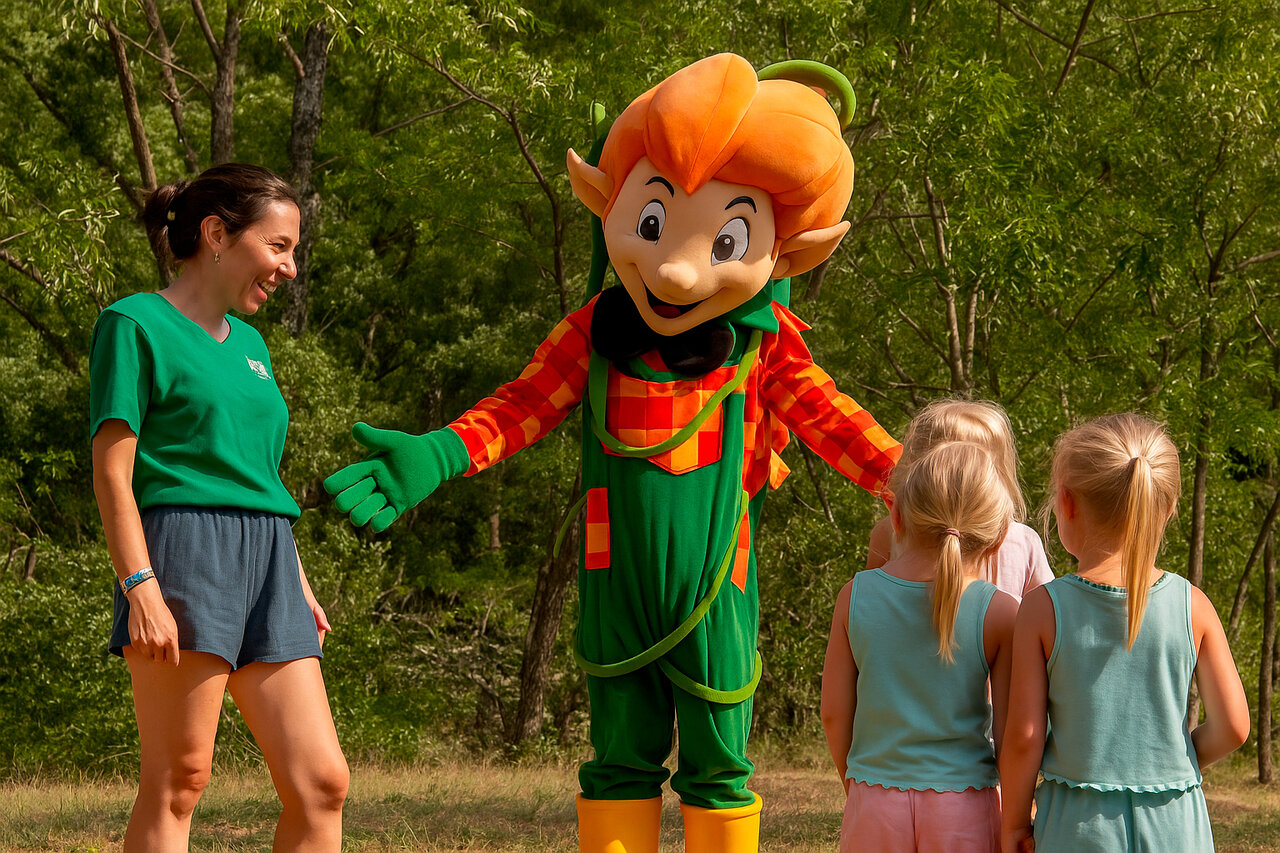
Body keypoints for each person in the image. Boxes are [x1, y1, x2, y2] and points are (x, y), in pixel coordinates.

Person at [324, 54, 901, 853]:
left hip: (716, 590)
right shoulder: (593, 334)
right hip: (614, 588)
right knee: (618, 760)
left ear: (785, 252)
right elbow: (522, 404)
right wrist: (440, 453)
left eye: (725, 239)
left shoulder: (762, 349)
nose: (676, 267)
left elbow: (830, 417)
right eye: (654, 223)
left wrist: (922, 484)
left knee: (719, 765)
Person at [90, 163, 348, 852]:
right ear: (215, 234)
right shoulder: (134, 323)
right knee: (180, 778)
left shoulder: (253, 346)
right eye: (278, 246)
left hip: (270, 559)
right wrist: (140, 586)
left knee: (322, 782)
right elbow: (113, 474)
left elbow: (258, 476)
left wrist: (297, 582)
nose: (290, 267)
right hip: (183, 552)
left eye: (293, 250)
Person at [1000, 413, 1250, 853]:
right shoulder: (1194, 605)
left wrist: (1014, 826)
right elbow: (1233, 726)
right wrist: (1173, 762)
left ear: (1067, 502)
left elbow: (1024, 737)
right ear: (1168, 508)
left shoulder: (1043, 608)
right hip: (1177, 823)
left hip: (1077, 826)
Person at [821, 439, 1019, 852]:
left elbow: (834, 714)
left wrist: (858, 784)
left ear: (896, 516)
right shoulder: (1000, 612)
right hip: (965, 805)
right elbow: (1011, 734)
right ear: (999, 536)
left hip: (874, 799)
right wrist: (1018, 819)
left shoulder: (854, 596)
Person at [866, 399, 1053, 603]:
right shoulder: (1023, 541)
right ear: (998, 478)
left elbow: (866, 606)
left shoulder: (889, 531)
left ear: (914, 472)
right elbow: (1047, 613)